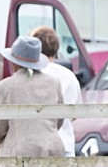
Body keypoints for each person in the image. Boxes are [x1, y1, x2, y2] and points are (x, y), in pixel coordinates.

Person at [0, 36, 65, 156]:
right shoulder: (54, 82)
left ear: (14, 61)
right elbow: (59, 120)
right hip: (53, 149)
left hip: (19, 152)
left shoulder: (3, 87)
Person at [30, 25, 81, 156]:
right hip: (65, 145)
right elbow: (75, 114)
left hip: (36, 147)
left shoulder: (30, 74)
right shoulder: (69, 75)